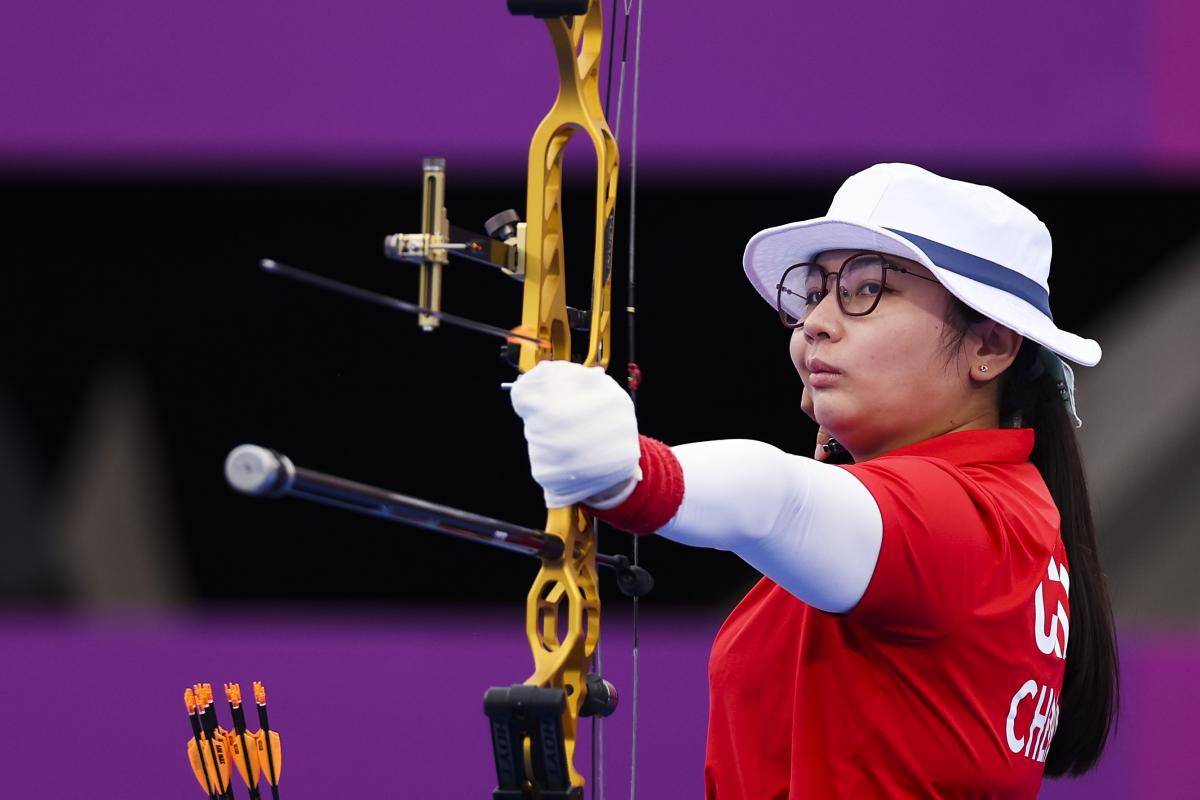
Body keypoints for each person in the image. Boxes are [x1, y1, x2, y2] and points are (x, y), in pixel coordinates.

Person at [510, 163, 1118, 798]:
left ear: (988, 344)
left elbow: (780, 501)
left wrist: (632, 476)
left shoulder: (968, 513)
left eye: (866, 289)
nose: (816, 323)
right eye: (815, 291)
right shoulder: (999, 505)